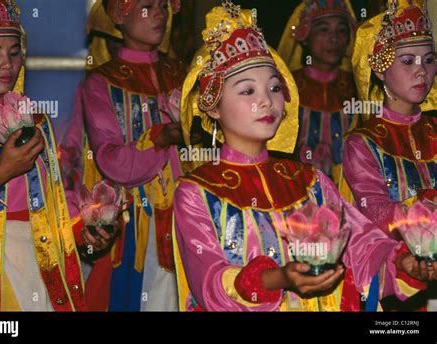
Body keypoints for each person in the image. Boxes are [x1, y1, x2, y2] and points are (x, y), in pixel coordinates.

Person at [172, 0, 437, 312]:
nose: (266, 101)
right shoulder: (196, 191)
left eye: (273, 88)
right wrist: (279, 279)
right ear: (213, 107)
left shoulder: (309, 180)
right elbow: (210, 284)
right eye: (247, 91)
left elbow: (364, 245)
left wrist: (403, 263)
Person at [58, 0, 188, 311]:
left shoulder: (183, 74)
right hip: (133, 226)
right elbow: (112, 161)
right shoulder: (101, 83)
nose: (159, 13)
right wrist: (161, 136)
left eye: (163, 5)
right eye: (147, 6)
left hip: (189, 217)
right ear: (119, 15)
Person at [0, 0, 85, 311]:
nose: (7, 63)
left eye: (14, 53)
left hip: (40, 261)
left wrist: (85, 223)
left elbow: (51, 199)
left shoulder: (35, 121)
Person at [343, 0, 437, 310]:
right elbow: (375, 214)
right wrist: (427, 204)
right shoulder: (363, 143)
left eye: (429, 59)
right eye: (408, 60)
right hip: (399, 283)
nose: (421, 70)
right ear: (380, 68)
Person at [277, 0, 357, 183]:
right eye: (324, 29)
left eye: (342, 30)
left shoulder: (357, 88)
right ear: (304, 34)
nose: (334, 39)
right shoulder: (286, 88)